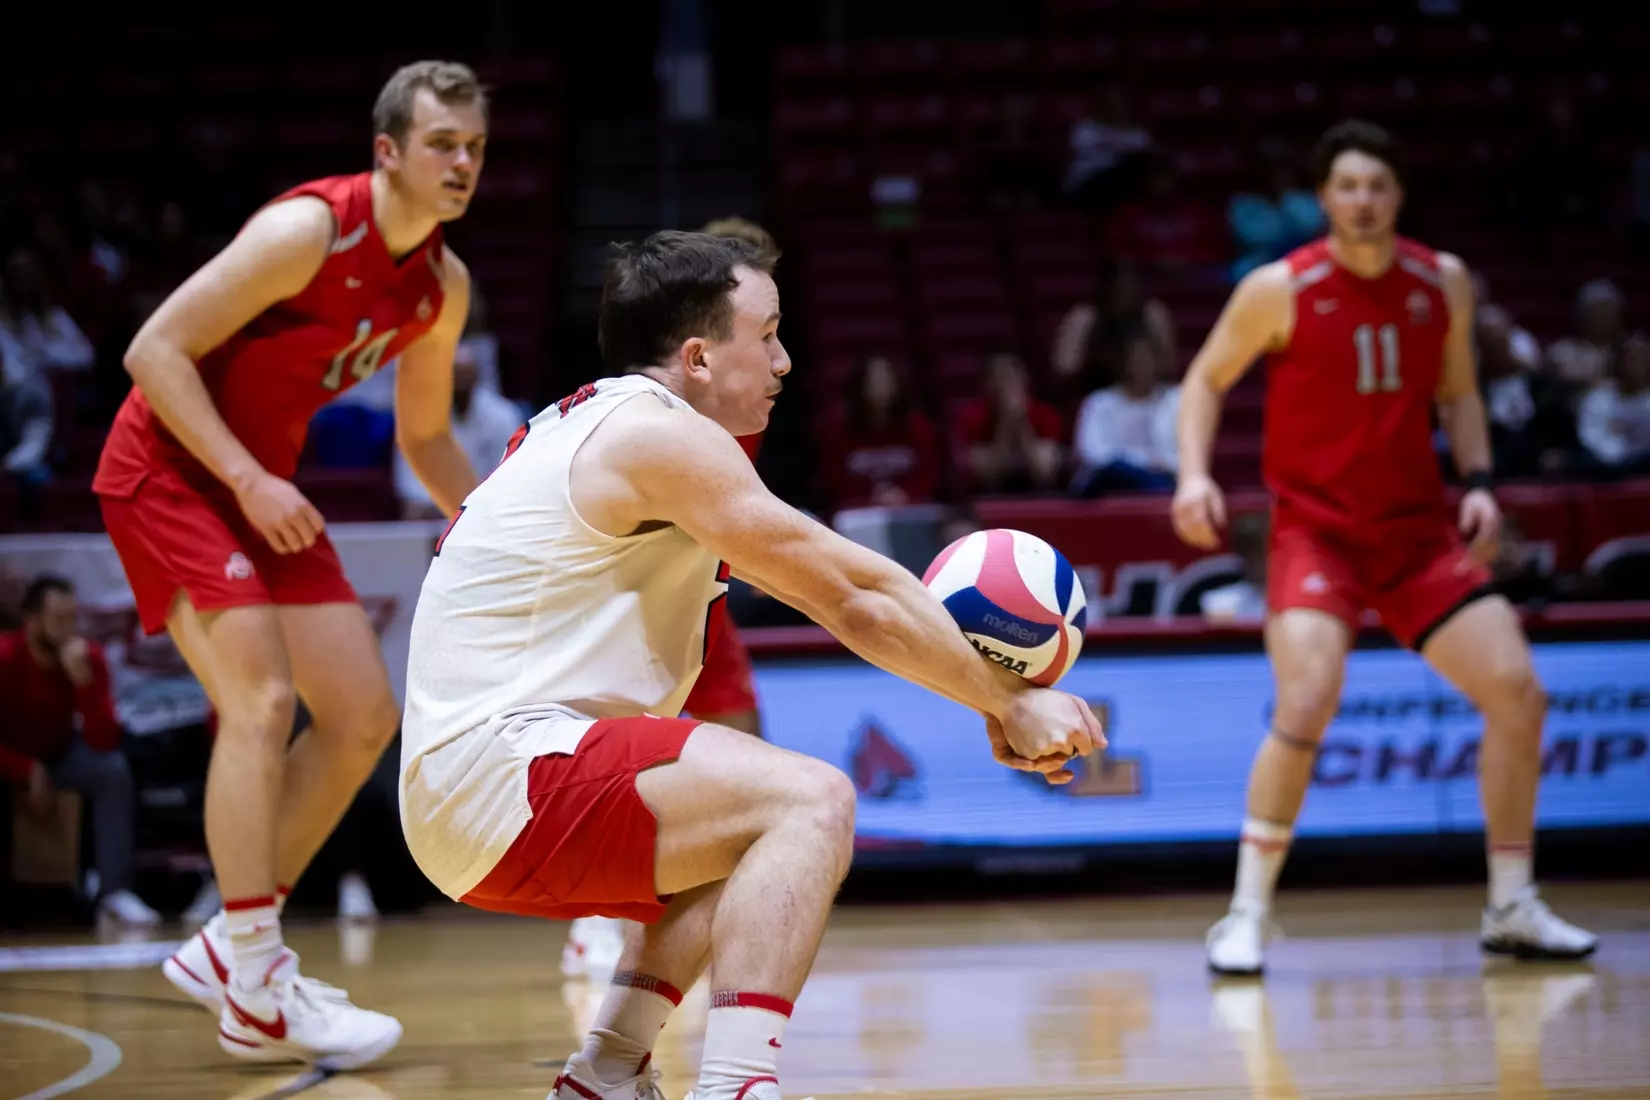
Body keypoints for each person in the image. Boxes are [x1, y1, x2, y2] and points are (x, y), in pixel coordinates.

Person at [399, 230, 1102, 1100]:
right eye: (765, 334)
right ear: (696, 356)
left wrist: (994, 702)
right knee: (809, 801)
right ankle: (736, 1086)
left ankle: (606, 1074)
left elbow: (848, 592)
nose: (785, 359)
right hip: (504, 775)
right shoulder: (653, 435)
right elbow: (850, 594)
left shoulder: (586, 421)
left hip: (471, 791)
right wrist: (1006, 702)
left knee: (743, 830)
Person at [91, 60, 491, 1067]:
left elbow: (430, 438)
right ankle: (260, 979)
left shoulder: (441, 287)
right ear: (387, 152)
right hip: (172, 470)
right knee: (262, 702)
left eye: (477, 148)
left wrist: (500, 526)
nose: (463, 164)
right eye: (443, 144)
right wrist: (246, 477)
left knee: (362, 716)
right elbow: (153, 350)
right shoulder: (306, 230)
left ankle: (230, 942)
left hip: (263, 487)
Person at [1172, 119, 1597, 977]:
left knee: (1519, 694)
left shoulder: (1442, 281)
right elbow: (1204, 379)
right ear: (1324, 198)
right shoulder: (1279, 288)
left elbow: (1461, 391)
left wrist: (1478, 478)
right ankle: (1246, 914)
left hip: (1416, 533)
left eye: (1378, 185)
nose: (1362, 200)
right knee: (1308, 698)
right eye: (1347, 186)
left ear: (1399, 196)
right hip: (1317, 531)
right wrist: (1192, 475)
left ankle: (1511, 903)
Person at [561, 217, 783, 982]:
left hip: (705, 587)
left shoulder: (747, 388)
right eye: (762, 328)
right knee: (621, 750)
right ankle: (600, 920)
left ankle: (701, 936)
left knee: (748, 752)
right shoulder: (653, 414)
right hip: (640, 589)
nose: (778, 354)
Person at [0, 575, 160, 925]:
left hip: (58, 753)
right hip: (10, 755)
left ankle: (114, 892)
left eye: (72, 619)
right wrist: (24, 768)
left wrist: (85, 686)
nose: (68, 629)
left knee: (112, 770)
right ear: (31, 621)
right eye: (58, 619)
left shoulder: (89, 657)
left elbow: (104, 739)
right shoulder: (5, 657)